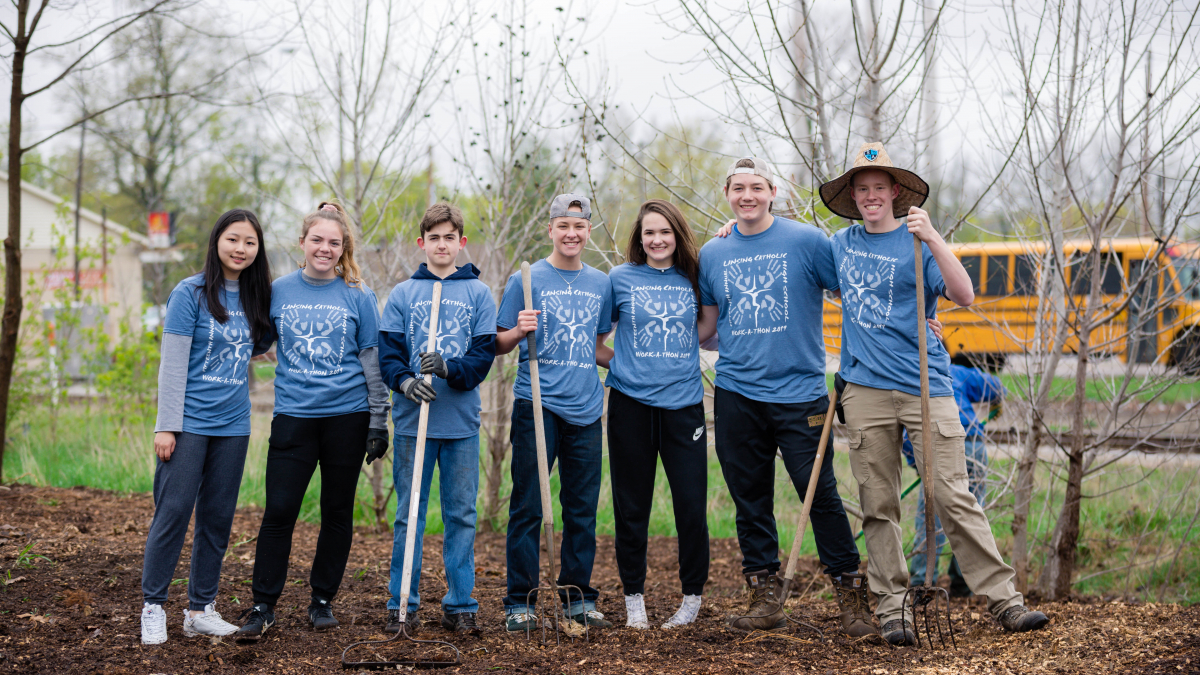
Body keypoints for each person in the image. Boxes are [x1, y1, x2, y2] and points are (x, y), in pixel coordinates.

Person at [820, 142, 1049, 645]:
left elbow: (964, 295)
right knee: (878, 503)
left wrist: (935, 238)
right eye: (862, 189)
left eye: (880, 187)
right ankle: (892, 609)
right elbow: (792, 255)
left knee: (952, 493)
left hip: (927, 386)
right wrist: (736, 229)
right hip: (863, 390)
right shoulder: (839, 245)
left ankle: (1005, 601)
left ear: (896, 192)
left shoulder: (918, 241)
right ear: (853, 196)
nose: (871, 196)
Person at [697, 158, 874, 637]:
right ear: (728, 194)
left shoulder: (807, 242)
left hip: (800, 395)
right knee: (749, 499)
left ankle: (852, 598)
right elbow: (708, 328)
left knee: (820, 496)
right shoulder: (713, 254)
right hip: (736, 394)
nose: (747, 195)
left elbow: (854, 294)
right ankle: (764, 596)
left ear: (773, 191)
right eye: (738, 188)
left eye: (756, 187)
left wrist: (912, 319)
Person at [236, 201, 391, 641]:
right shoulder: (279, 290)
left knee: (337, 511)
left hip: (348, 417)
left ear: (344, 249)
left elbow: (371, 360)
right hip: (293, 417)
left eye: (334, 243)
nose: (325, 248)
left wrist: (379, 421)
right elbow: (254, 340)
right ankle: (263, 605)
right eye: (317, 240)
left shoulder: (358, 294)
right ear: (302, 243)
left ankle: (322, 600)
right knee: (279, 511)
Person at [141, 209, 273, 645]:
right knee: (174, 513)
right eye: (233, 239)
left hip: (233, 425)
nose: (241, 249)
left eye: (250, 242)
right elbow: (173, 364)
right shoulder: (189, 293)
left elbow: (263, 345)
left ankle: (200, 610)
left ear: (258, 250)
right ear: (217, 241)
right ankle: (153, 606)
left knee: (217, 519)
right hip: (188, 425)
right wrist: (166, 426)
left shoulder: (257, 297)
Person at [496, 193, 615, 632]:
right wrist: (517, 331)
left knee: (581, 508)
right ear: (550, 229)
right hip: (537, 404)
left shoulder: (601, 283)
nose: (571, 233)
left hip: (586, 406)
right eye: (563, 226)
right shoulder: (525, 279)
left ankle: (577, 599)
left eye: (580, 226)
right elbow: (497, 342)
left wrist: (631, 366)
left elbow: (598, 348)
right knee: (528, 505)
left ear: (588, 231)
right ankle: (520, 601)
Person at [595, 199, 716, 630]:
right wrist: (623, 365)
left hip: (684, 406)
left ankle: (691, 597)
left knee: (690, 506)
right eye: (649, 232)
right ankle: (634, 600)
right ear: (639, 237)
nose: (657, 239)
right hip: (630, 405)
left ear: (677, 234)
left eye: (665, 231)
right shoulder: (619, 278)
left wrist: (680, 355)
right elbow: (597, 339)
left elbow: (706, 328)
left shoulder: (695, 278)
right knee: (631, 507)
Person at [378, 202, 497, 636]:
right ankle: (401, 601)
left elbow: (483, 357)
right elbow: (389, 356)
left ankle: (460, 603)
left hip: (461, 424)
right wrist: (407, 383)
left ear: (461, 243)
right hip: (413, 425)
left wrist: (450, 369)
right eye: (434, 237)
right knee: (409, 515)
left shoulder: (478, 294)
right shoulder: (404, 293)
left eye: (450, 237)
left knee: (461, 515)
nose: (442, 244)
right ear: (422, 243)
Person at [903, 363, 1005, 595]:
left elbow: (906, 436)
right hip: (972, 445)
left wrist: (919, 466)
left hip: (939, 448)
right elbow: (996, 387)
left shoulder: (907, 376)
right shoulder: (953, 371)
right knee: (969, 515)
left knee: (930, 519)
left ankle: (921, 582)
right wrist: (997, 402)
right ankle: (963, 583)